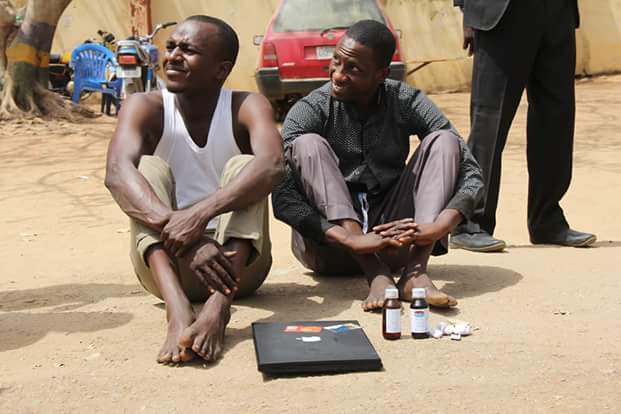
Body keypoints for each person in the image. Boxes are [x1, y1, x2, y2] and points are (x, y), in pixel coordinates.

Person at [105, 15, 283, 364]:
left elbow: (274, 165)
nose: (172, 56)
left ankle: (218, 307)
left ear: (220, 69)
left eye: (188, 50)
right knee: (144, 169)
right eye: (170, 46)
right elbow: (115, 172)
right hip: (165, 267)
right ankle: (177, 311)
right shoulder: (144, 106)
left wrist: (200, 215)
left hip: (239, 268)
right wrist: (189, 240)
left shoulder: (247, 105)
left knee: (249, 167)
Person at [272, 20, 484, 311]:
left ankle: (416, 273)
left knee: (445, 142)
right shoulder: (310, 108)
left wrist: (438, 227)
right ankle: (375, 275)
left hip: (395, 240)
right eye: (336, 61)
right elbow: (283, 195)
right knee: (307, 144)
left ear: (381, 74)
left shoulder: (406, 100)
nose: (338, 75)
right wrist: (350, 238)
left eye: (354, 69)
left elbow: (470, 170)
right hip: (329, 248)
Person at [450, 0, 596, 252]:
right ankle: (470, 222)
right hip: (502, 12)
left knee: (556, 119)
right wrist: (468, 13)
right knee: (490, 122)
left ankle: (547, 221)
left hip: (557, 13)